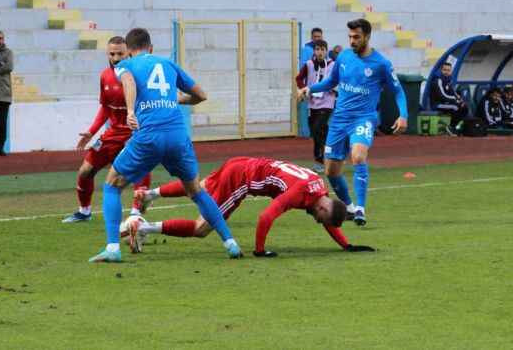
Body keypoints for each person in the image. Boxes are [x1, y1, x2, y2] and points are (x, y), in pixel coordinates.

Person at [89, 28, 241, 263]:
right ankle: (230, 243)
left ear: (128, 51)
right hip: (177, 135)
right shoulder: (168, 64)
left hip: (148, 135)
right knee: (196, 191)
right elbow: (201, 95)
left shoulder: (125, 65)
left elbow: (128, 82)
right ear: (151, 48)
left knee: (112, 185)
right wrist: (177, 98)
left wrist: (130, 111)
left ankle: (112, 249)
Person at [125, 157, 375, 256]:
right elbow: (266, 217)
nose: (316, 221)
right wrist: (260, 250)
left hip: (242, 163)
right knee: (203, 228)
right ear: (323, 209)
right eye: (320, 220)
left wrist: (346, 245)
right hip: (242, 180)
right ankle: (145, 228)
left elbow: (331, 221)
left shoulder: (320, 190)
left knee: (199, 186)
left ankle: (149, 195)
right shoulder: (299, 194)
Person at [298, 19, 408, 227]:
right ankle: (348, 206)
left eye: (356, 37)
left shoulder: (381, 64)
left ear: (367, 36)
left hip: (363, 118)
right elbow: (332, 82)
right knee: (331, 171)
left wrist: (403, 115)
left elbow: (398, 91)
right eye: (350, 37)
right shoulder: (344, 57)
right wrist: (310, 89)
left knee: (358, 156)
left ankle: (360, 209)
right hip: (339, 119)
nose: (352, 41)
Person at [62, 36, 151, 223]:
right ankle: (84, 211)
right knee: (85, 171)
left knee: (140, 169)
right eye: (112, 53)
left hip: (134, 131)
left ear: (128, 53)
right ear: (107, 54)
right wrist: (91, 132)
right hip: (112, 133)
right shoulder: (105, 76)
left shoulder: (136, 74)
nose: (116, 57)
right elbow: (105, 107)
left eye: (120, 53)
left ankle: (136, 214)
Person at [296, 39, 335, 172]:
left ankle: (322, 159)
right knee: (316, 132)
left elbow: (339, 80)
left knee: (319, 128)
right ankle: (325, 155)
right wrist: (302, 89)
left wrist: (336, 88)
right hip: (312, 103)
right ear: (314, 51)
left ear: (326, 51)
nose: (319, 52)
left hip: (327, 101)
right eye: (317, 49)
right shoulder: (309, 64)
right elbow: (299, 78)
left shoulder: (332, 65)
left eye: (322, 50)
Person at [429, 61, 468, 135]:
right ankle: (451, 128)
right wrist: (456, 100)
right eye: (444, 70)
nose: (446, 72)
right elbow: (442, 96)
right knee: (455, 107)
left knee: (464, 107)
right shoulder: (438, 80)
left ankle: (454, 127)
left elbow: (453, 92)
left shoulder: (448, 80)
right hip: (437, 104)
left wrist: (460, 100)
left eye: (448, 70)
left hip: (446, 103)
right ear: (441, 70)